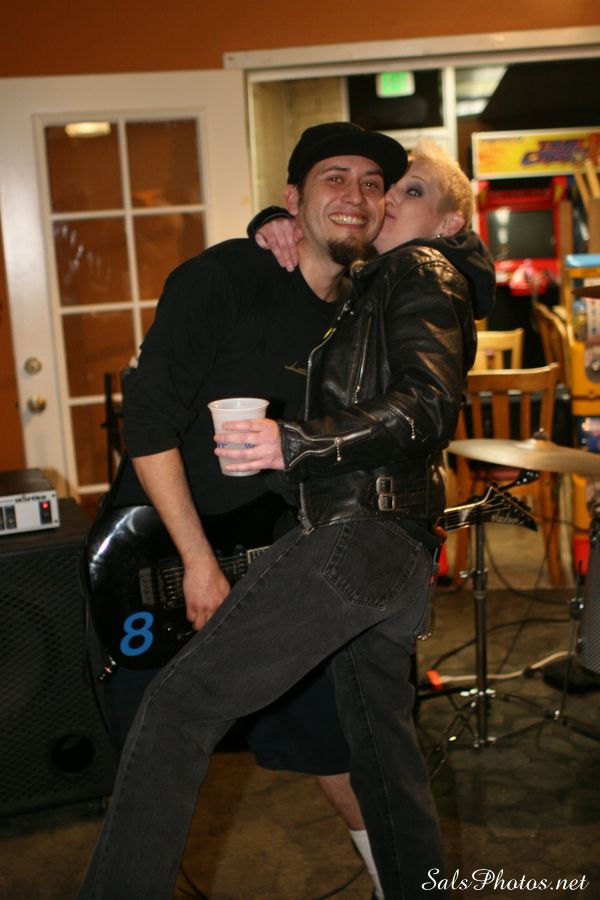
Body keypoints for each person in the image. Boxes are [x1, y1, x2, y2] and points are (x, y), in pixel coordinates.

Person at [79, 126, 493, 900]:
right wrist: (197, 563)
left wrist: (291, 442)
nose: (362, 197)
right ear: (293, 199)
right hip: (173, 561)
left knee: (317, 742)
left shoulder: (390, 285)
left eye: (379, 185)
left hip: (317, 551)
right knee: (352, 750)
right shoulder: (243, 279)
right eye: (336, 179)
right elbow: (147, 421)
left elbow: (426, 396)